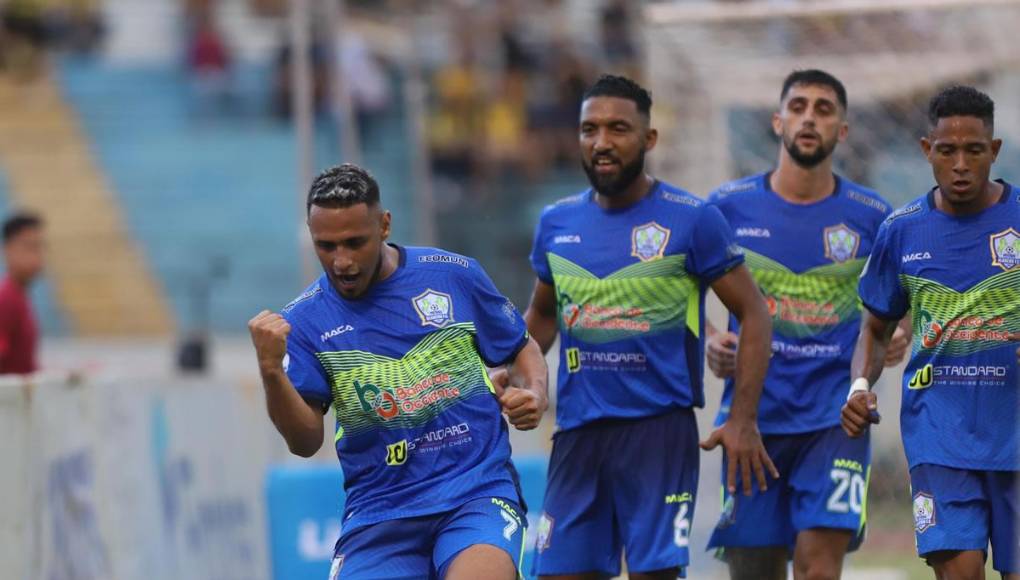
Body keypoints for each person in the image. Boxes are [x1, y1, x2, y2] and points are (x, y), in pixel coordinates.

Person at [515, 74, 777, 579]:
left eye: (618, 128)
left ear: (648, 139)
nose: (602, 142)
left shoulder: (693, 219)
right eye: (590, 129)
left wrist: (742, 417)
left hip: (658, 432)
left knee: (653, 575)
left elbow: (755, 312)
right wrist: (521, 373)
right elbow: (544, 313)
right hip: (577, 433)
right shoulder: (556, 221)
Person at [247, 164, 548, 580]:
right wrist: (270, 372)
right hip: (379, 515)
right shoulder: (304, 322)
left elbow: (520, 346)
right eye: (327, 246)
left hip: (473, 492)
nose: (342, 261)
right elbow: (304, 442)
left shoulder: (452, 274)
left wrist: (533, 391)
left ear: (385, 224)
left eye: (355, 243)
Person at [703, 69, 909, 580]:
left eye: (822, 108)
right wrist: (712, 339)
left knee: (819, 569)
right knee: (754, 572)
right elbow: (675, 291)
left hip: (835, 422)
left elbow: (895, 309)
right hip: (753, 419)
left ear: (842, 130)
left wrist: (896, 333)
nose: (808, 117)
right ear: (777, 122)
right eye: (797, 107)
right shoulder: (725, 208)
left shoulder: (872, 216)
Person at [842, 85, 1019, 580]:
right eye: (947, 151)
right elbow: (875, 329)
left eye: (974, 150)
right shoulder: (901, 231)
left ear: (995, 150)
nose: (960, 163)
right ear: (927, 151)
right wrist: (860, 387)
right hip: (939, 438)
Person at [0, 212, 44, 374]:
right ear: (7, 250)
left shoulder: (20, 297)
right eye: (29, 247)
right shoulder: (6, 299)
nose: (37, 256)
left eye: (40, 247)